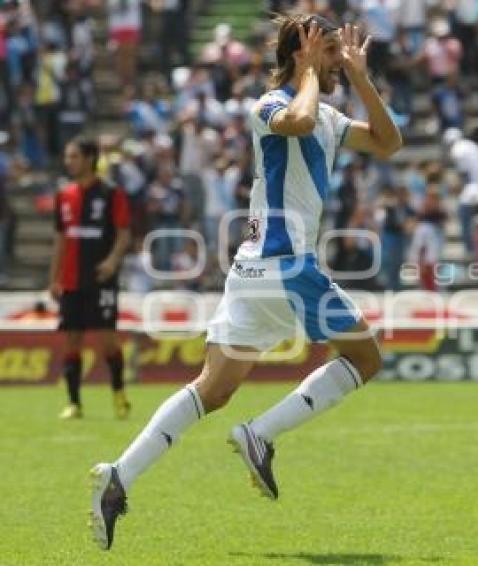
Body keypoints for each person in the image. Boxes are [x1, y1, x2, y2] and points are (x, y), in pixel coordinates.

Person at [88, 15, 403, 551]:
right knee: (366, 359)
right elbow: (297, 123)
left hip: (253, 273)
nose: (334, 60)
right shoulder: (269, 105)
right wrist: (307, 71)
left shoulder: (326, 112)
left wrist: (359, 76)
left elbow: (388, 142)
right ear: (300, 53)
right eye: (328, 51)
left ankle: (119, 475)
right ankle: (261, 434)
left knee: (212, 390)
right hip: (287, 265)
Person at [49, 138, 131, 420]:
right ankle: (74, 403)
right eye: (67, 157)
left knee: (108, 340)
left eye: (73, 157)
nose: (68, 161)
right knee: (72, 339)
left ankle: (119, 394)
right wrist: (53, 277)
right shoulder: (64, 195)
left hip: (101, 279)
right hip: (71, 280)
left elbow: (123, 234)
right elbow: (60, 238)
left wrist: (111, 261)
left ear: (89, 158)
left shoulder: (111, 193)